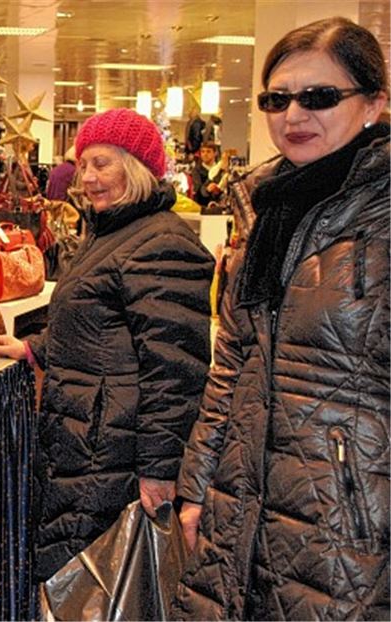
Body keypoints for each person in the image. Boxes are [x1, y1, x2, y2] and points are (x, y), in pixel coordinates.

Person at [172, 17, 389, 620]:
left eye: (319, 97)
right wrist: (198, 484)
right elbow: (234, 362)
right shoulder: (263, 210)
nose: (294, 115)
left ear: (374, 103)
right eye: (277, 98)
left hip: (352, 520)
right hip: (241, 501)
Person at [0, 108, 214, 583]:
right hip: (85, 441)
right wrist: (35, 349)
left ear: (136, 167)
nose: (88, 177)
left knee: (93, 583)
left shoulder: (162, 244)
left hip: (112, 453)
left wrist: (160, 468)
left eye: (102, 163)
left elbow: (175, 371)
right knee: (76, 579)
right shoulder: (112, 232)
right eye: (83, 163)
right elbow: (99, 328)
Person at [189, 141, 228, 206]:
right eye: (203, 151)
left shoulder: (221, 168)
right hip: (202, 206)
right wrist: (207, 189)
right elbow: (199, 191)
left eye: (208, 151)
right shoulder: (196, 170)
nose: (205, 154)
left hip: (220, 206)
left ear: (215, 153)